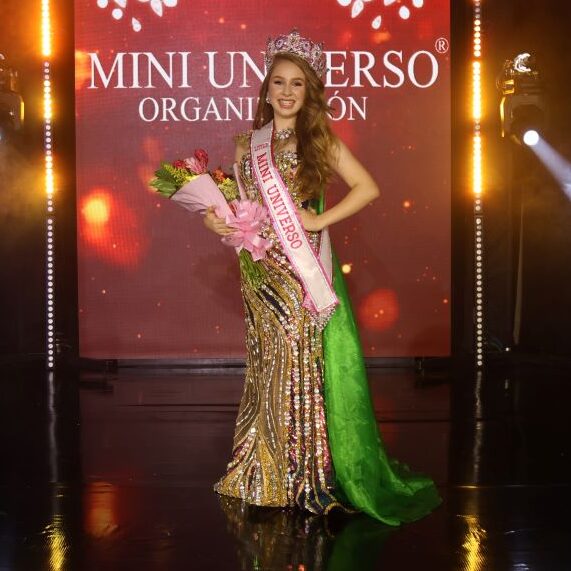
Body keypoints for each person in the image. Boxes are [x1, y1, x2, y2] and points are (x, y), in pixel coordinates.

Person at [204, 29, 442, 525]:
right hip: (256, 270)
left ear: (308, 91)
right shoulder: (248, 144)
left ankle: (302, 473)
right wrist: (217, 219)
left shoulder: (319, 140)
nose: (287, 92)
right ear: (266, 88)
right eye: (279, 82)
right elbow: (241, 207)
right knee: (268, 362)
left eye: (297, 84)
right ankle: (262, 468)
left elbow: (368, 187)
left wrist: (316, 220)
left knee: (298, 364)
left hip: (298, 269)